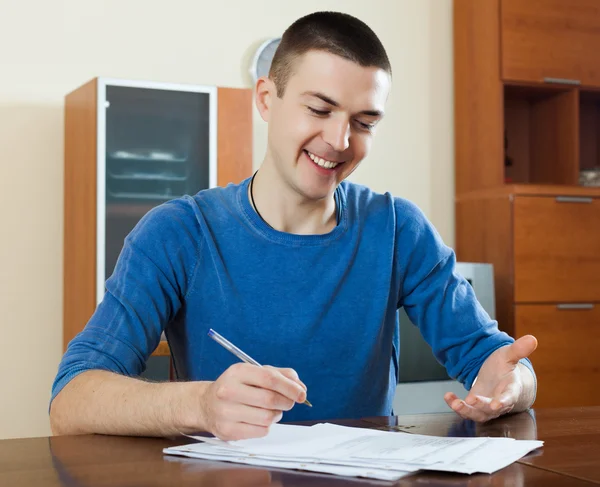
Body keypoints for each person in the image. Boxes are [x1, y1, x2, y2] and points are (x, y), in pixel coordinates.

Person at [49, 11, 538, 441]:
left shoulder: (397, 228)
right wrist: (199, 405)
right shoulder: (178, 233)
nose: (339, 139)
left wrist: (513, 385)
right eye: (319, 109)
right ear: (266, 98)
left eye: (364, 122)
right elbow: (71, 399)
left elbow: (497, 360)